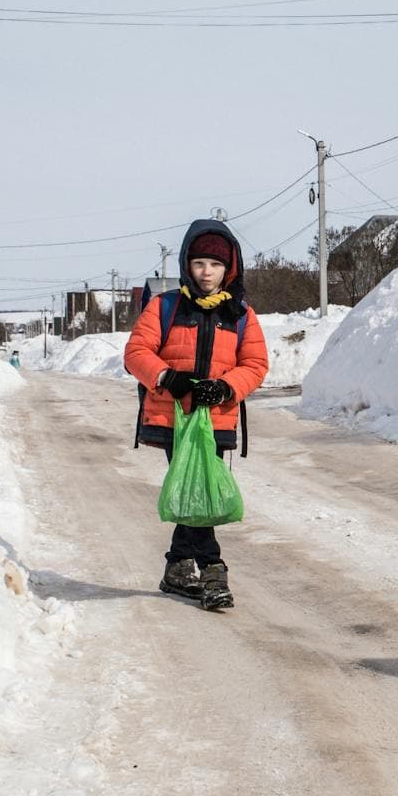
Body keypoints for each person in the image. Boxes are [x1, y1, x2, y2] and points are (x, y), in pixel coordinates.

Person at [123, 219, 269, 609]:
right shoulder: (165, 307)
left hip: (215, 419)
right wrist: (170, 378)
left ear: (229, 269)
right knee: (199, 492)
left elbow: (255, 364)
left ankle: (176, 567)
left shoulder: (240, 314)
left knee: (196, 492)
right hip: (174, 419)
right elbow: (136, 354)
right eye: (201, 263)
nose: (207, 272)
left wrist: (225, 387)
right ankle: (212, 569)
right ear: (188, 264)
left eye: (216, 265)